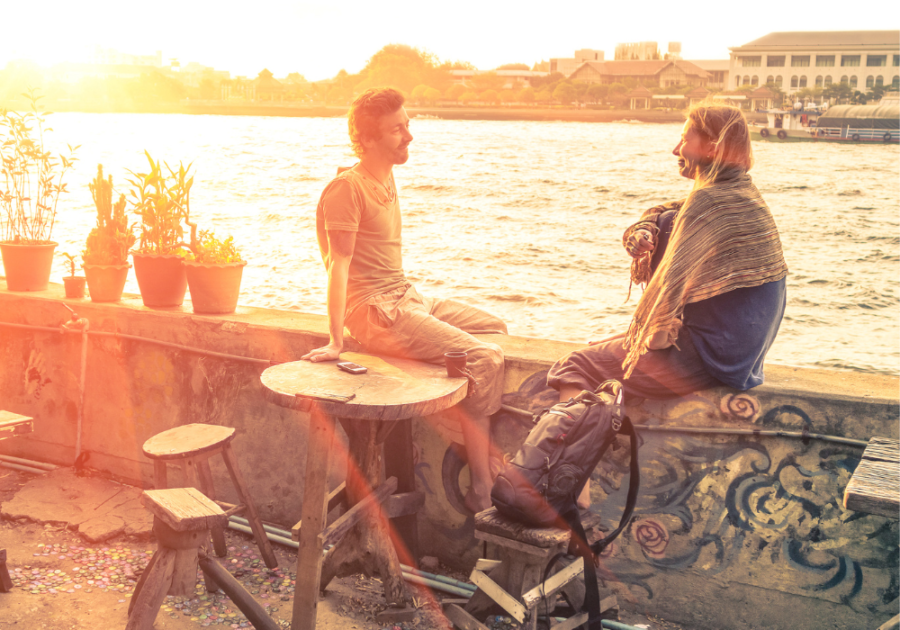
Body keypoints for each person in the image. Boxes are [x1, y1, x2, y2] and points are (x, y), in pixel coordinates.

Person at [548, 103, 788, 507]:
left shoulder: (708, 204)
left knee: (576, 365)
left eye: (685, 139)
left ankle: (570, 488)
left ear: (711, 146)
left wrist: (648, 336)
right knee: (661, 225)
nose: (676, 148)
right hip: (742, 358)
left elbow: (661, 313)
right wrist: (646, 225)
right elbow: (666, 208)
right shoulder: (740, 192)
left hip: (709, 357)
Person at [302, 88, 507, 513]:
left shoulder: (383, 174)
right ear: (369, 138)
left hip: (408, 297)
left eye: (408, 124)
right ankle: (483, 486)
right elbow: (336, 265)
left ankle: (453, 420)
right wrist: (336, 340)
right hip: (378, 313)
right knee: (485, 359)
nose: (409, 135)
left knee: (495, 329)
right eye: (397, 129)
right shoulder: (347, 189)